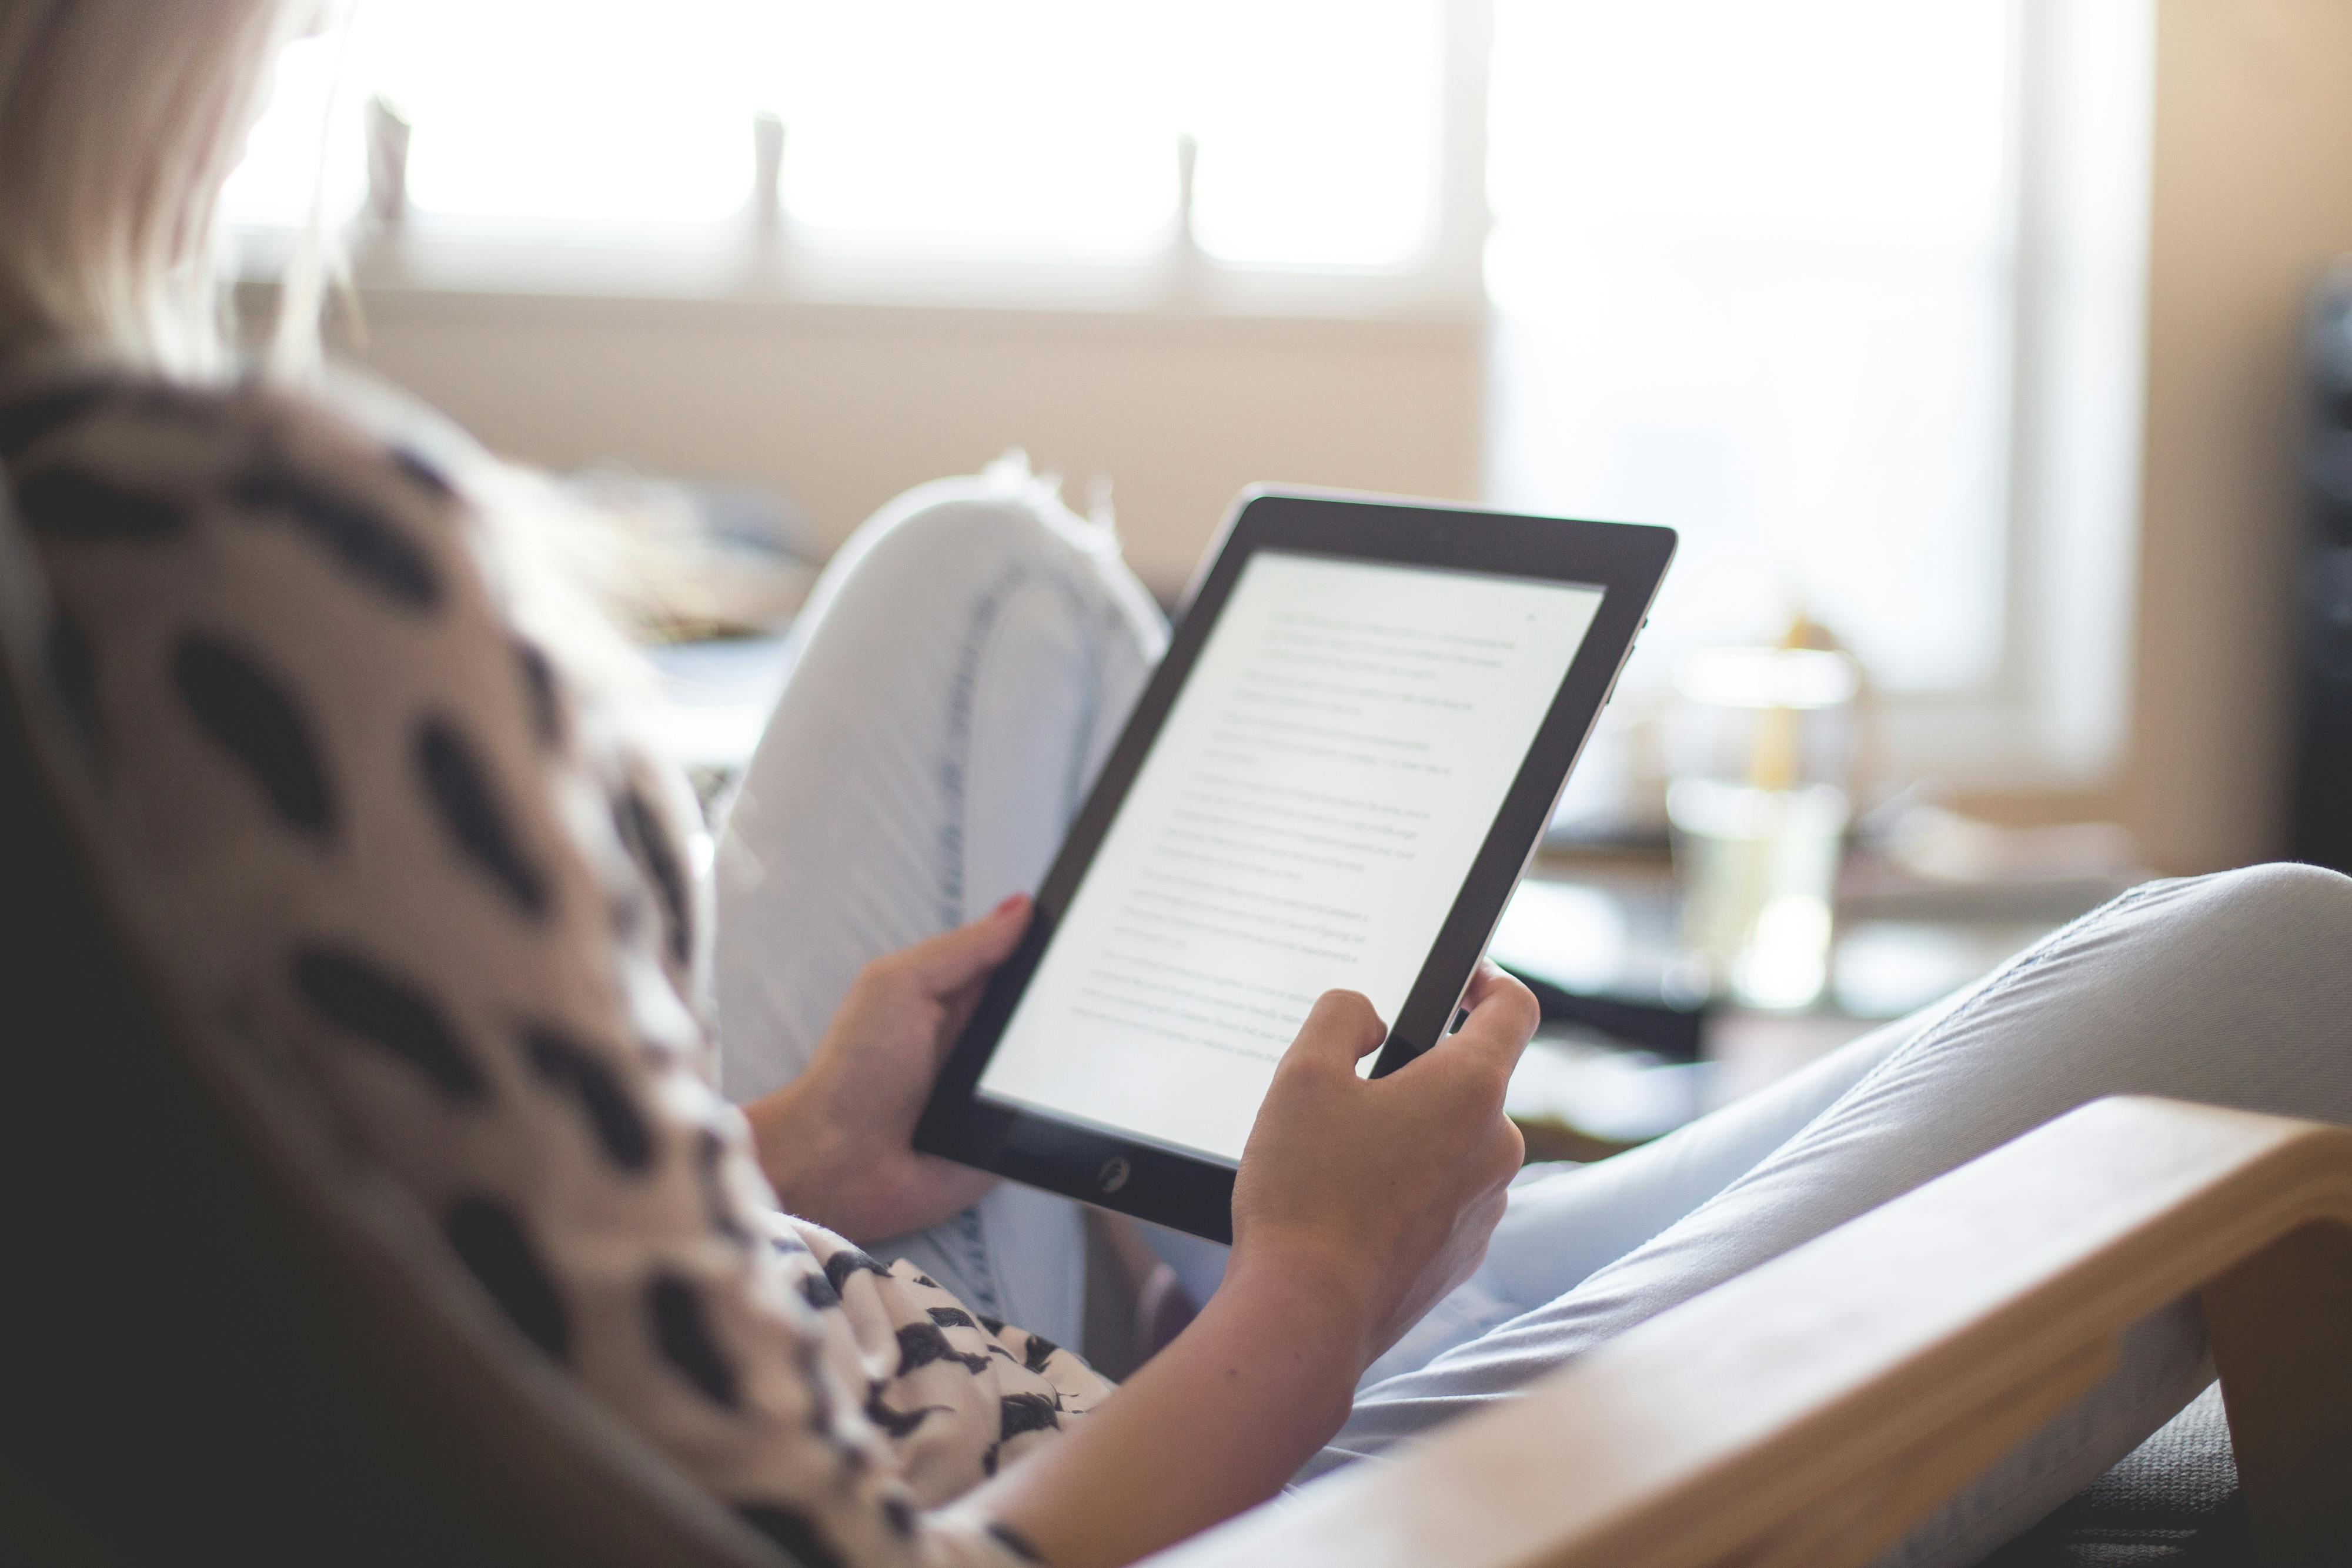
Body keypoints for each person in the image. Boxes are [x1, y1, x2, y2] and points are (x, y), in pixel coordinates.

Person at [2, 4, 2347, 1566]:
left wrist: (807, 1147)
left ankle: (1282, 1233)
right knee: (2284, 960)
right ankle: (1345, 1267)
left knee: (988, 572)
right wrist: (1301, 1308)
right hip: (1206, 1493)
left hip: (873, 1298)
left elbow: (437, 1259)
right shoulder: (217, 560)